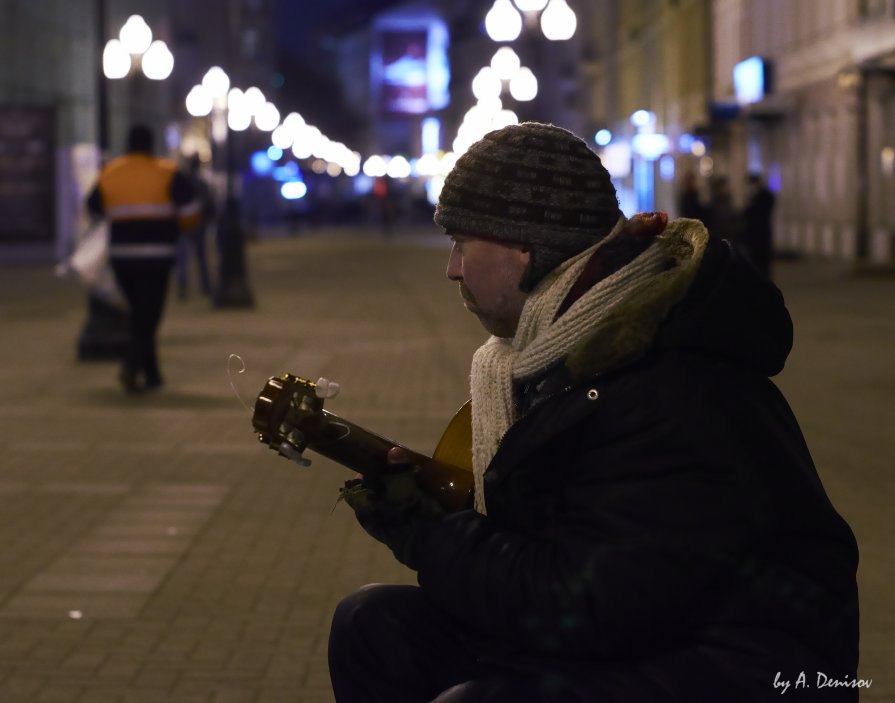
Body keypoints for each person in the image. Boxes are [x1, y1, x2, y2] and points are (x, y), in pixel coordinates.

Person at [328, 123, 859, 702]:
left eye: (462, 242)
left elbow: (586, 607)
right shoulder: (555, 355)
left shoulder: (665, 380)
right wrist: (425, 513)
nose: (451, 268)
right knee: (374, 625)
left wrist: (429, 533)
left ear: (522, 247)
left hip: (744, 668)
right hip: (641, 632)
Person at [86, 124, 199, 393]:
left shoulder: (110, 172)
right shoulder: (167, 171)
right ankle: (131, 365)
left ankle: (153, 375)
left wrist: (117, 219)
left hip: (122, 257)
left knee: (139, 312)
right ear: (151, 145)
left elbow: (92, 206)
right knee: (149, 315)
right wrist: (177, 227)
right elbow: (191, 210)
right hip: (158, 255)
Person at [175, 154, 215, 300]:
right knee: (201, 257)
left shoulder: (182, 182)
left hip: (183, 225)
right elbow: (209, 203)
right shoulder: (201, 183)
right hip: (198, 224)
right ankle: (205, 286)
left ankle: (183, 287)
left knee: (183, 258)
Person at [741, 172, 776, 277]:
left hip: (761, 235)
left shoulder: (764, 196)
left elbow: (754, 213)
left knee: (763, 262)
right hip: (754, 236)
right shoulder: (756, 197)